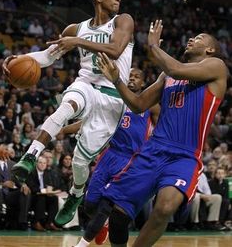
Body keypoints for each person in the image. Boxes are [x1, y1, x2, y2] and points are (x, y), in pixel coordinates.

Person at [3, 0, 134, 226]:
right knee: (66, 106)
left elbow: (115, 50)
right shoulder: (76, 29)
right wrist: (18, 59)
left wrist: (77, 42)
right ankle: (30, 156)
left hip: (113, 98)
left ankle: (76, 194)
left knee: (80, 162)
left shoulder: (123, 21)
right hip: (86, 85)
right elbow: (46, 57)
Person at [96, 19, 227, 247]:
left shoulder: (216, 66)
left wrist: (154, 46)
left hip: (184, 156)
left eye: (198, 38)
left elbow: (176, 67)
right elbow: (138, 104)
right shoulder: (167, 77)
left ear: (210, 49)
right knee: (117, 216)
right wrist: (117, 79)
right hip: (152, 150)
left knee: (165, 207)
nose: (191, 39)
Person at [68, 68, 159, 247]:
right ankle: (104, 223)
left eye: (137, 77)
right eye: (130, 75)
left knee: (106, 204)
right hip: (109, 155)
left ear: (143, 83)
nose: (132, 78)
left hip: (130, 160)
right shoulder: (114, 99)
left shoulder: (150, 105)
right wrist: (62, 130)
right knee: (90, 204)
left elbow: (164, 129)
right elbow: (89, 121)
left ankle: (82, 244)